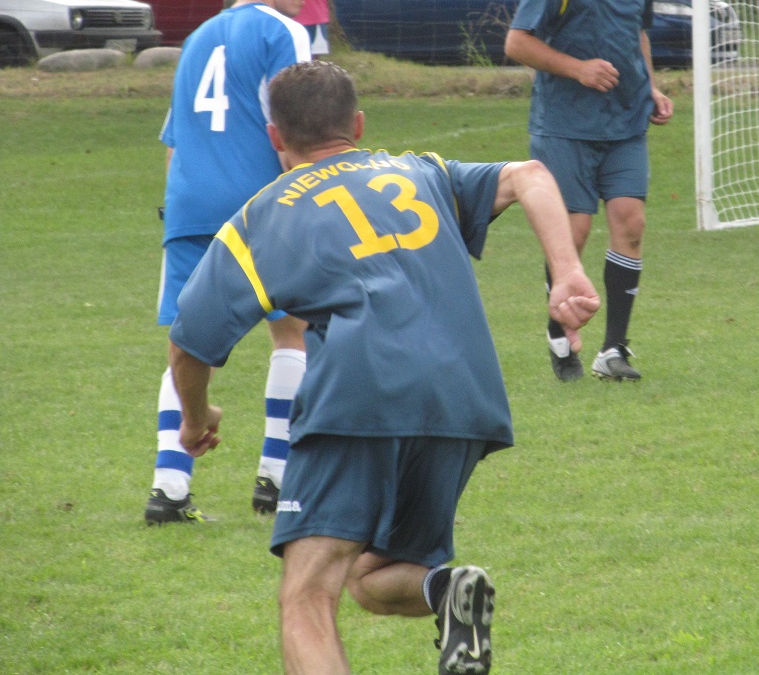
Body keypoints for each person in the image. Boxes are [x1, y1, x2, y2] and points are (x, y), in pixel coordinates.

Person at [168, 60, 600, 675]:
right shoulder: (421, 172)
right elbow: (530, 175)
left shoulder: (259, 220)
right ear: (359, 125)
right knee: (372, 577)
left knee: (308, 595)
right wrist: (568, 271)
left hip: (361, 392)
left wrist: (196, 417)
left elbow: (189, 345)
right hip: (462, 397)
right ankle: (446, 590)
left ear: (275, 137)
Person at [147, 0, 315, 525]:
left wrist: (180, 205)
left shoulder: (197, 39)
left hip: (188, 207)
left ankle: (169, 488)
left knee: (189, 346)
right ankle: (276, 477)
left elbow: (176, 141)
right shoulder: (283, 32)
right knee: (294, 331)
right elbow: (297, 130)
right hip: (257, 207)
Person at [504, 0, 674, 382]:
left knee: (631, 223)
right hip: (566, 126)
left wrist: (651, 87)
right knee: (572, 234)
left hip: (625, 122)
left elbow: (637, 33)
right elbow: (517, 42)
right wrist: (577, 68)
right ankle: (560, 338)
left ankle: (613, 350)